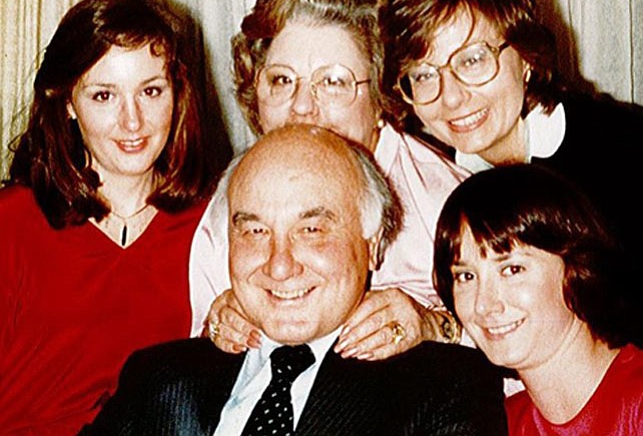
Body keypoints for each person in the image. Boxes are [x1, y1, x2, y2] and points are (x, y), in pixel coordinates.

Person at [79, 124, 506, 436]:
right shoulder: (157, 376)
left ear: (373, 244)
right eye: (255, 231)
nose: (279, 265)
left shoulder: (442, 386)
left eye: (312, 230)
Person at [384, 0, 643, 350]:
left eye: (472, 60)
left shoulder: (630, 152)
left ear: (527, 58)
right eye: (424, 75)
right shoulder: (440, 177)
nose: (449, 98)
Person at [190, 0, 469, 360]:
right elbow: (200, 369)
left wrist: (434, 325)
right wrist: (217, 328)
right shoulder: (232, 199)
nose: (303, 106)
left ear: (381, 95)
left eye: (334, 82)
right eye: (282, 80)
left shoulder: (448, 203)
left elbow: (524, 353)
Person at [0, 0, 219, 434]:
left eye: (151, 91)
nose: (133, 121)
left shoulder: (213, 224)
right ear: (66, 102)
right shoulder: (12, 223)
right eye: (104, 96)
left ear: (178, 94)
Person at [433, 164, 643, 436]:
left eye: (512, 269)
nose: (484, 305)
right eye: (465, 276)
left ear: (576, 268)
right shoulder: (496, 425)